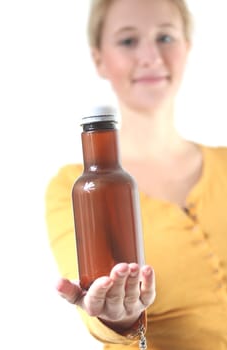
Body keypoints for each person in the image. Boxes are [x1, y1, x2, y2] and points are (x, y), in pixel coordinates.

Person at [45, 0, 227, 349]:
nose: (150, 56)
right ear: (99, 58)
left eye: (166, 37)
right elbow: (92, 299)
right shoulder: (78, 186)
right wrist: (117, 316)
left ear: (187, 48)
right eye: (128, 41)